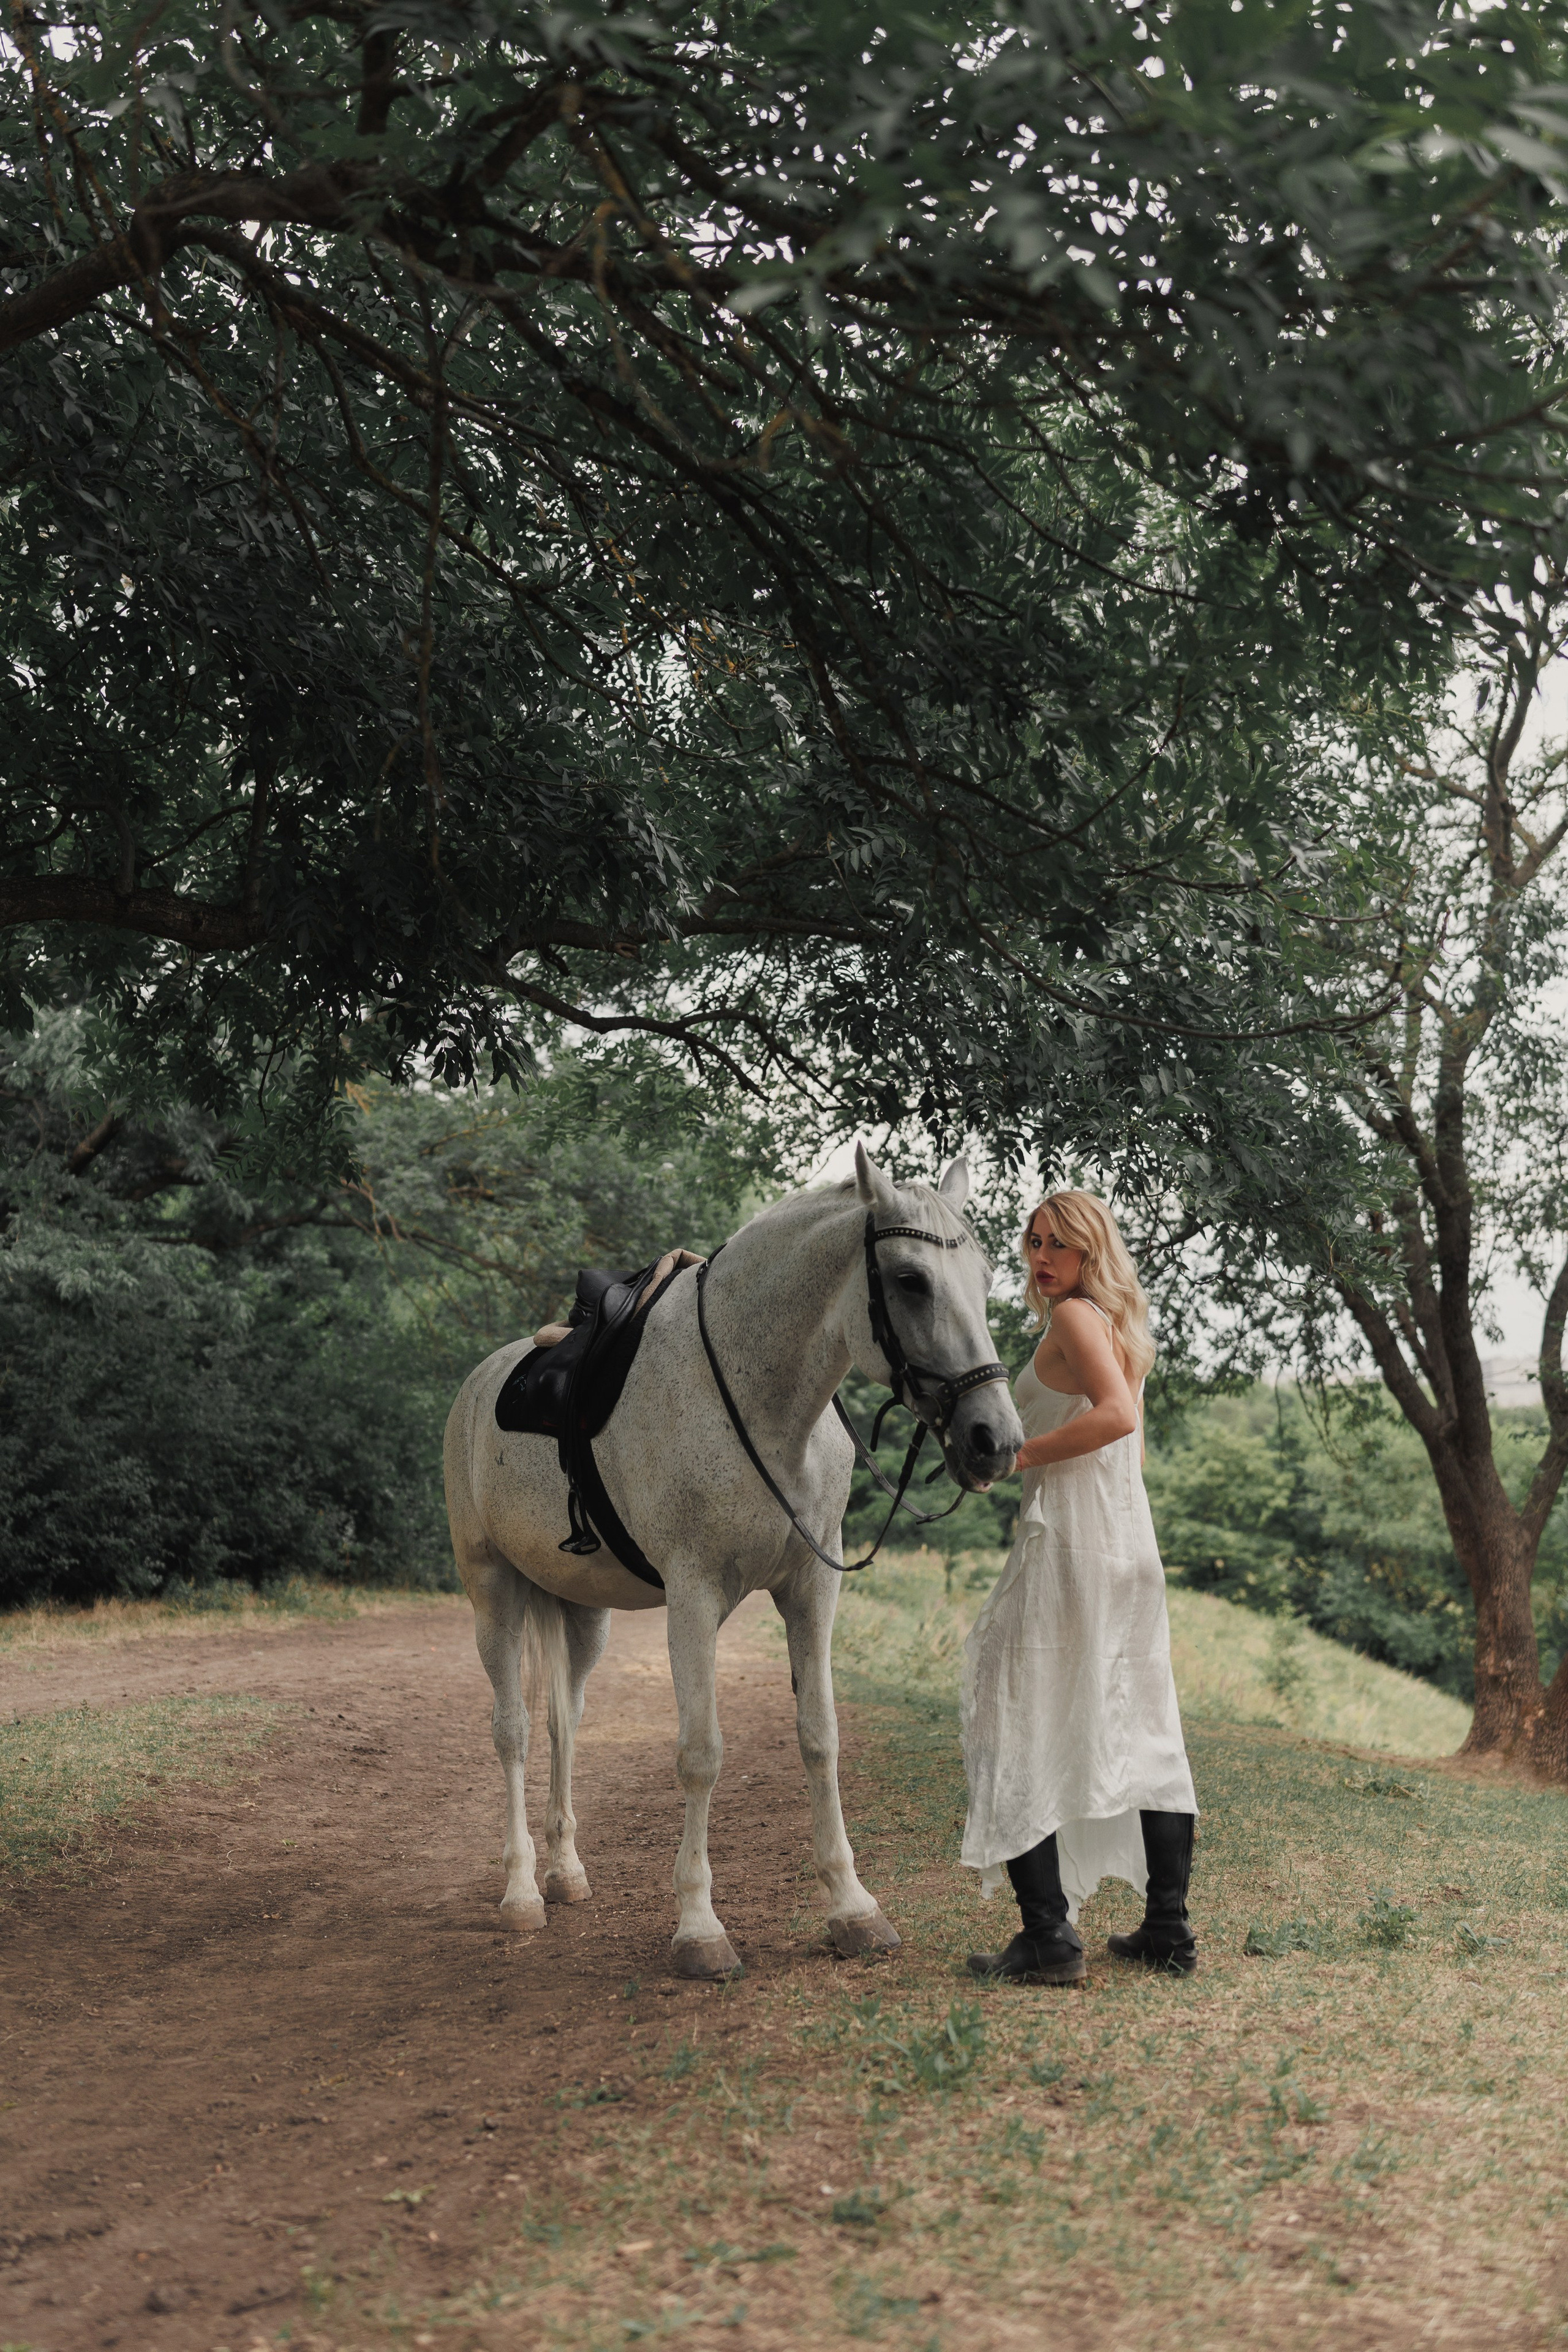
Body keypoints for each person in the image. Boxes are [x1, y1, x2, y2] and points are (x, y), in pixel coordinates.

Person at [960, 1191, 1197, 1984]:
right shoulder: (1117, 1325)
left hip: (1073, 1546)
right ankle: (1167, 1927)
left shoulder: (1072, 1320)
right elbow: (1126, 1449)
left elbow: (1118, 1418)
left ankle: (1049, 1940)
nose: (1041, 1258)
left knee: (1013, 1712)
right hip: (1126, 1543)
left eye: (1057, 1244)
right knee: (1141, 1724)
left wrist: (1022, 1461)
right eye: (1033, 1243)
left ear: (1091, 1251)